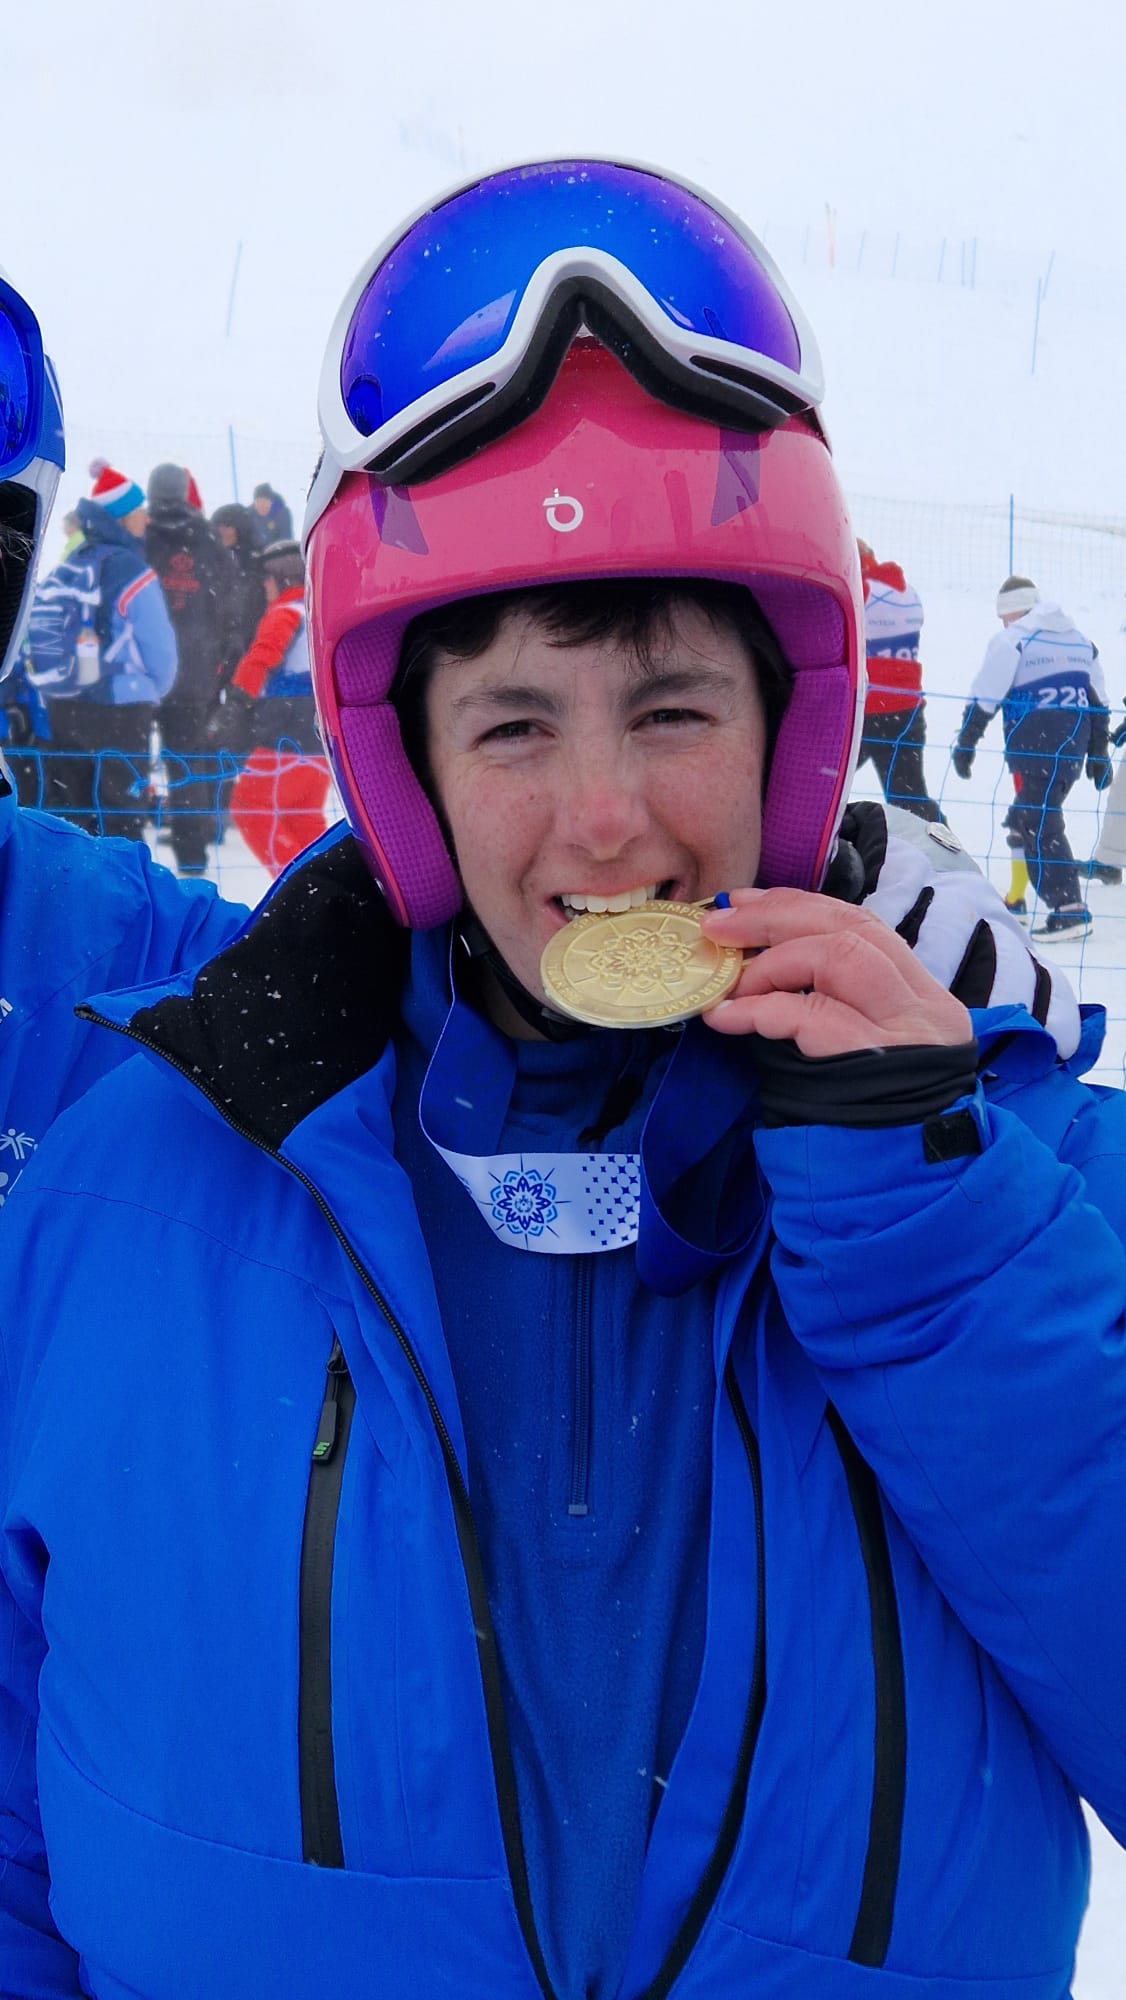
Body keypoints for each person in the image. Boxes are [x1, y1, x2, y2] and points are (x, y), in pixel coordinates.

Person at [1, 163, 1123, 2000]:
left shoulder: (1028, 1175)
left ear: (791, 736)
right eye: (514, 722)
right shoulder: (136, 1194)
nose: (604, 821)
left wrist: (943, 1233)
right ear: (410, 771)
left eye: (673, 707)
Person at [0, 272, 248, 1197]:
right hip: (116, 734)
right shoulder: (109, 928)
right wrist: (154, 697)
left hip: (60, 738)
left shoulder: (116, 928)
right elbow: (169, 658)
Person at [27, 457, 178, 842]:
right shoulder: (133, 571)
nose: (145, 520)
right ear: (123, 518)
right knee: (121, 817)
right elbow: (160, 653)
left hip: (63, 704)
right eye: (139, 512)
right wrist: (148, 691)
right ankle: (121, 895)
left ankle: (74, 891)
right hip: (121, 711)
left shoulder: (69, 565)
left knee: (74, 814)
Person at [952, 575, 1111, 939]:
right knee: (1023, 816)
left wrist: (966, 742)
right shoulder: (1080, 641)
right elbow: (1098, 701)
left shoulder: (1014, 640)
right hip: (1072, 741)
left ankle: (1069, 908)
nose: (1002, 622)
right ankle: (1017, 901)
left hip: (1034, 742)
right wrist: (1097, 753)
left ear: (1013, 611)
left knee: (1039, 821)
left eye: (1002, 615)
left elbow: (986, 694)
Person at [217, 537, 332, 875]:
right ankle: (331, 885)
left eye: (266, 579)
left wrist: (235, 702)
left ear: (280, 577)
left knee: (247, 805)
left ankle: (298, 889)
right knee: (304, 818)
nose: (263, 586)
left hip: (283, 733)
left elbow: (262, 657)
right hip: (318, 734)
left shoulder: (285, 612)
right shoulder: (318, 611)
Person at [144, 462, 238, 873]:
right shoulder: (209, 543)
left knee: (123, 761)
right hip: (196, 677)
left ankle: (122, 852)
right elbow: (231, 613)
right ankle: (193, 858)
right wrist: (220, 666)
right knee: (188, 766)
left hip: (145, 673)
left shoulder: (142, 539)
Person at [854, 540, 943, 822]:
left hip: (866, 710)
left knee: (818, 784)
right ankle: (944, 854)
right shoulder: (908, 594)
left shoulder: (860, 591)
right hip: (906, 710)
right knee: (911, 798)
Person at [210, 499, 267, 660]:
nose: (221, 532)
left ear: (241, 528)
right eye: (218, 526)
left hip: (253, 641)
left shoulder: (260, 561)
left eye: (227, 526)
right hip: (222, 645)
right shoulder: (212, 561)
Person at [251, 479, 293, 544]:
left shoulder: (282, 514)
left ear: (271, 502)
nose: (261, 506)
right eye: (258, 502)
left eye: (264, 502)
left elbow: (286, 540)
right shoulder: (249, 516)